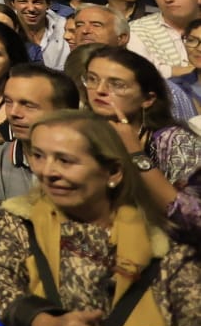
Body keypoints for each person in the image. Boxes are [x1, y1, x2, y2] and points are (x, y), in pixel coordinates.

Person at [0, 110, 201, 326]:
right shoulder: (21, 218)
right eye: (38, 156)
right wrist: (41, 321)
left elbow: (193, 325)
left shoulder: (164, 242)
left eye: (65, 160)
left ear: (113, 172)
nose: (47, 172)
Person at [83, 47, 201, 242]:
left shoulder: (173, 141)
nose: (100, 90)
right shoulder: (80, 133)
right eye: (92, 79)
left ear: (148, 99)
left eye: (116, 84)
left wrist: (135, 153)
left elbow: (192, 218)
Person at [0, 64, 81, 201]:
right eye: (8, 102)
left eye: (28, 105)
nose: (13, 113)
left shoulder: (89, 164)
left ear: (64, 113)